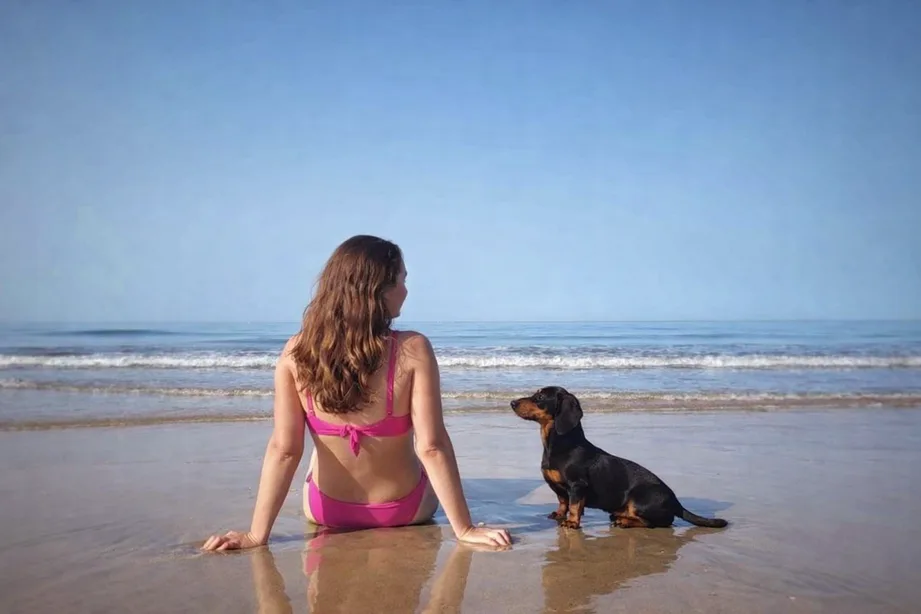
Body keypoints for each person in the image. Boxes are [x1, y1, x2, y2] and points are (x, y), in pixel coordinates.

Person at [202, 235, 511, 551]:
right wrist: (464, 528)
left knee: (314, 447)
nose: (406, 290)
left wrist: (256, 535)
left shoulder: (295, 352)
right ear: (380, 289)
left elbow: (284, 449)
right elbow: (431, 447)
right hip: (405, 511)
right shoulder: (413, 348)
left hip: (327, 512)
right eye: (402, 279)